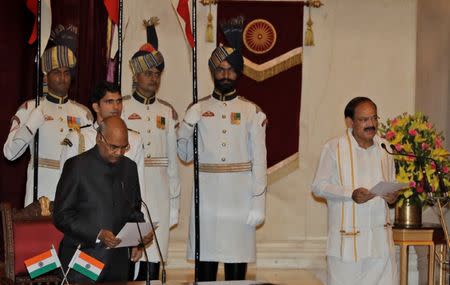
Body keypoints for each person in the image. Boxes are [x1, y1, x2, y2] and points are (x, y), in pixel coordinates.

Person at [177, 16, 267, 281]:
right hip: (206, 198)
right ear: (213, 72)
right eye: (220, 69)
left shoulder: (252, 111)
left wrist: (258, 203)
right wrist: (186, 125)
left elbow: (260, 160)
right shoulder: (198, 109)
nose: (225, 74)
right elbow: (183, 155)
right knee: (204, 266)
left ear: (238, 72)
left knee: (236, 267)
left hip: (240, 199)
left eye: (230, 69)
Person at [53, 116, 153, 283]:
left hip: (118, 264)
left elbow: (134, 211)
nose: (119, 153)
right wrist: (97, 233)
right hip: (84, 259)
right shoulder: (77, 166)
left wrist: (139, 237)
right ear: (99, 138)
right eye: (114, 147)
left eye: (124, 147)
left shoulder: (129, 168)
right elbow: (61, 216)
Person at [311, 97, 399, 285]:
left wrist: (393, 197)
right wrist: (350, 193)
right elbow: (318, 186)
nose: (371, 124)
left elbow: (391, 184)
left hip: (380, 244)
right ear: (350, 122)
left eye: (374, 118)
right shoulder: (334, 148)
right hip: (347, 246)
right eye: (364, 119)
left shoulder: (385, 148)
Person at [123, 17, 180, 280]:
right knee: (127, 255)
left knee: (154, 259)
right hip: (128, 188)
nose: (153, 79)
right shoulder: (120, 107)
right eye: (148, 73)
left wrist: (174, 205)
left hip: (159, 194)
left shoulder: (167, 112)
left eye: (157, 74)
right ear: (135, 75)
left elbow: (172, 165)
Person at [3, 42, 92, 206]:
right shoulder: (30, 108)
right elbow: (10, 153)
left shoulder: (82, 113)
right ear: (45, 77)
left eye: (66, 73)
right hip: (41, 190)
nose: (63, 77)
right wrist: (31, 124)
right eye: (57, 72)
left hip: (73, 191)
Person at [60, 81, 144, 194]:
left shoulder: (134, 138)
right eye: (109, 102)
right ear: (96, 106)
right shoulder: (78, 137)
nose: (116, 107)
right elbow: (66, 185)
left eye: (119, 101)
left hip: (121, 207)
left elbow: (139, 186)